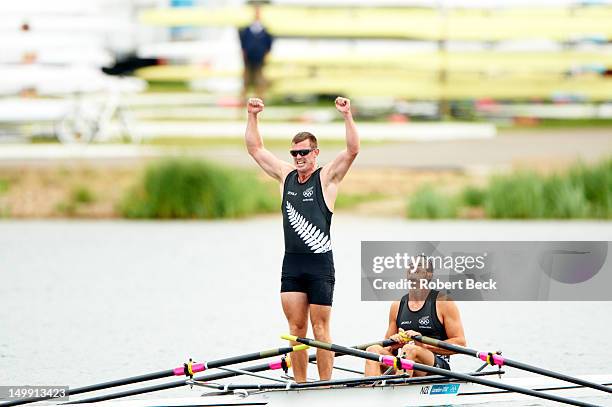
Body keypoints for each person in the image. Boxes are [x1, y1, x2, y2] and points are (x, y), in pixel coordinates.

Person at [244, 96, 359, 382]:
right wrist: (252, 116)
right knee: (296, 329)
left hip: (320, 265)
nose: (298, 158)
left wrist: (347, 116)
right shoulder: (285, 176)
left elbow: (353, 150)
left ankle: (325, 385)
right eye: (294, 153)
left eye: (304, 153)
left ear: (315, 152)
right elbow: (255, 148)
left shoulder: (327, 178)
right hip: (292, 266)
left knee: (320, 330)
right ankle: (300, 385)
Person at [364, 255, 466, 377]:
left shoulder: (443, 302)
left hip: (436, 366)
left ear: (429, 274)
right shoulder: (397, 306)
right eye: (411, 265)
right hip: (405, 361)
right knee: (372, 350)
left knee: (409, 349)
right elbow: (387, 348)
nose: (413, 267)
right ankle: (369, 391)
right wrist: (396, 342)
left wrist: (422, 343)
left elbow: (460, 343)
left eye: (418, 265)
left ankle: (399, 389)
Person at [238, 5, 273, 101]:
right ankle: (242, 104)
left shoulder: (265, 31)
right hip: (249, 60)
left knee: (260, 82)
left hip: (259, 59)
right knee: (246, 82)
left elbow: (269, 45)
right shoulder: (247, 30)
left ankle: (259, 103)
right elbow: (243, 44)